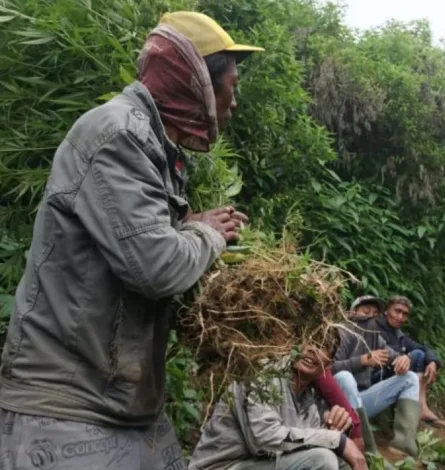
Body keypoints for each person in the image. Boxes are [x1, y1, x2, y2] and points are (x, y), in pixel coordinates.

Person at [0, 11, 262, 469]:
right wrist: (205, 234)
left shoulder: (154, 147)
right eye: (232, 85)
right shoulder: (119, 134)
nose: (234, 101)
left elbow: (138, 244)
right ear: (194, 80)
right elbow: (156, 266)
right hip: (68, 410)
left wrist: (187, 229)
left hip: (126, 409)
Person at [188, 341, 369, 470]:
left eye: (322, 345)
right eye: (309, 340)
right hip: (224, 466)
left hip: (259, 463)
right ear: (293, 345)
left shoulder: (311, 396)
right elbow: (264, 440)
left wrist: (336, 425)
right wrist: (335, 439)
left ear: (327, 365)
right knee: (322, 460)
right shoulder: (259, 374)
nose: (312, 349)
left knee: (342, 462)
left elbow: (308, 439)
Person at [332, 296, 421, 458]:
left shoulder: (374, 336)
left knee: (410, 378)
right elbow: (328, 368)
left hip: (362, 402)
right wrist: (363, 360)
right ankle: (366, 449)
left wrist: (404, 359)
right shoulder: (341, 331)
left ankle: (404, 446)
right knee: (345, 377)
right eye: (366, 312)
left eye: (374, 313)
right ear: (353, 312)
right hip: (337, 406)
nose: (370, 316)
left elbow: (392, 356)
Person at [375, 296, 445, 425]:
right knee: (417, 355)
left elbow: (423, 348)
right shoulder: (374, 327)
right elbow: (385, 354)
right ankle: (417, 409)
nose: (400, 317)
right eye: (397, 311)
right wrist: (403, 357)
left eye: (404, 314)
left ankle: (420, 406)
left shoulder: (398, 334)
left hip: (392, 372)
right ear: (386, 311)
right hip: (375, 376)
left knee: (423, 355)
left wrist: (433, 361)